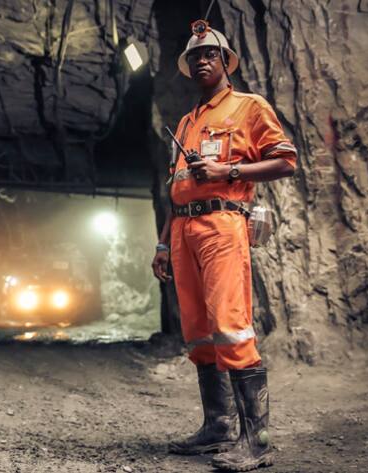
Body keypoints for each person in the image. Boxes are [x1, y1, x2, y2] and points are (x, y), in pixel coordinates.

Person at [150, 21, 297, 472]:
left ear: (226, 61)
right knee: (198, 333)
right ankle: (218, 426)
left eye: (210, 54)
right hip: (182, 232)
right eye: (194, 57)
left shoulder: (248, 108)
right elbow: (176, 185)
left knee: (231, 326)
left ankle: (258, 441)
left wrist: (227, 172)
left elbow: (285, 161)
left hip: (222, 225)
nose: (201, 62)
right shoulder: (188, 121)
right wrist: (161, 243)